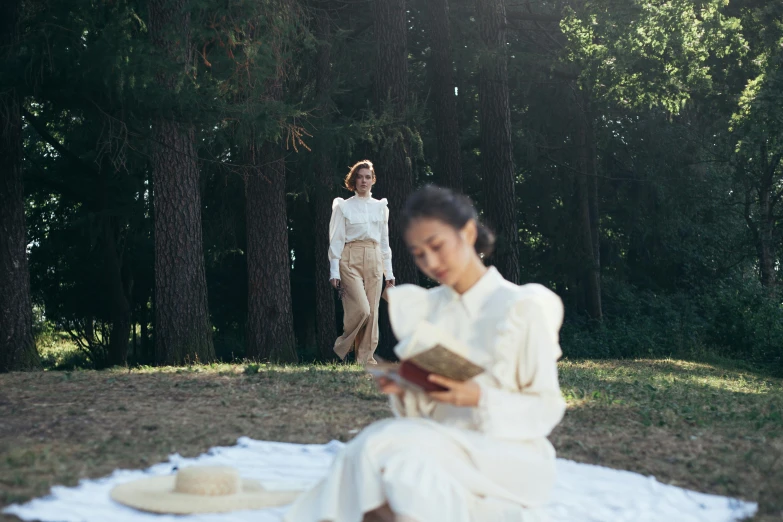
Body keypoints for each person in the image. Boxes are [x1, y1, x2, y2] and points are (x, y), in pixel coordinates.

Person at [286, 185, 567, 522]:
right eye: (420, 254)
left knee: (387, 448)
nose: (431, 262)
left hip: (508, 455)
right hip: (439, 445)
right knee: (376, 451)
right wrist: (409, 387)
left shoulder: (520, 308)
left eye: (437, 246)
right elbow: (426, 417)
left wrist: (479, 397)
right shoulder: (428, 309)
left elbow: (547, 407)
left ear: (467, 233)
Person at [329, 160, 395, 365]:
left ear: (372, 180)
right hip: (350, 257)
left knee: (373, 312)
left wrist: (389, 273)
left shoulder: (381, 207)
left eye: (368, 177)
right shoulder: (343, 206)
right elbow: (336, 239)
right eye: (360, 176)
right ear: (354, 180)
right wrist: (334, 271)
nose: (364, 181)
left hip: (374, 256)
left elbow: (385, 242)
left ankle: (365, 359)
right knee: (362, 309)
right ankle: (343, 344)